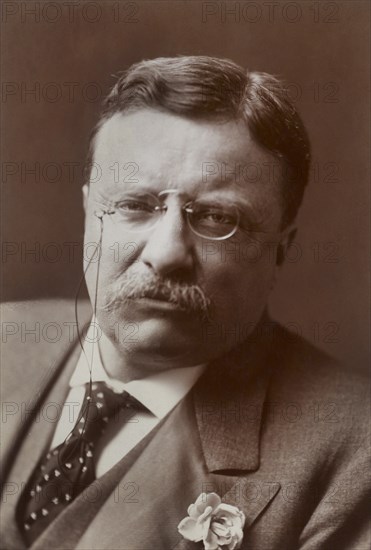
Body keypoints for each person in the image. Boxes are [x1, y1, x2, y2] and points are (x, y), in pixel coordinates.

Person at [1, 56, 369, 550]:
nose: (166, 253)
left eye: (217, 217)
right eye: (134, 205)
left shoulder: (351, 453)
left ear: (282, 247)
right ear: (90, 210)